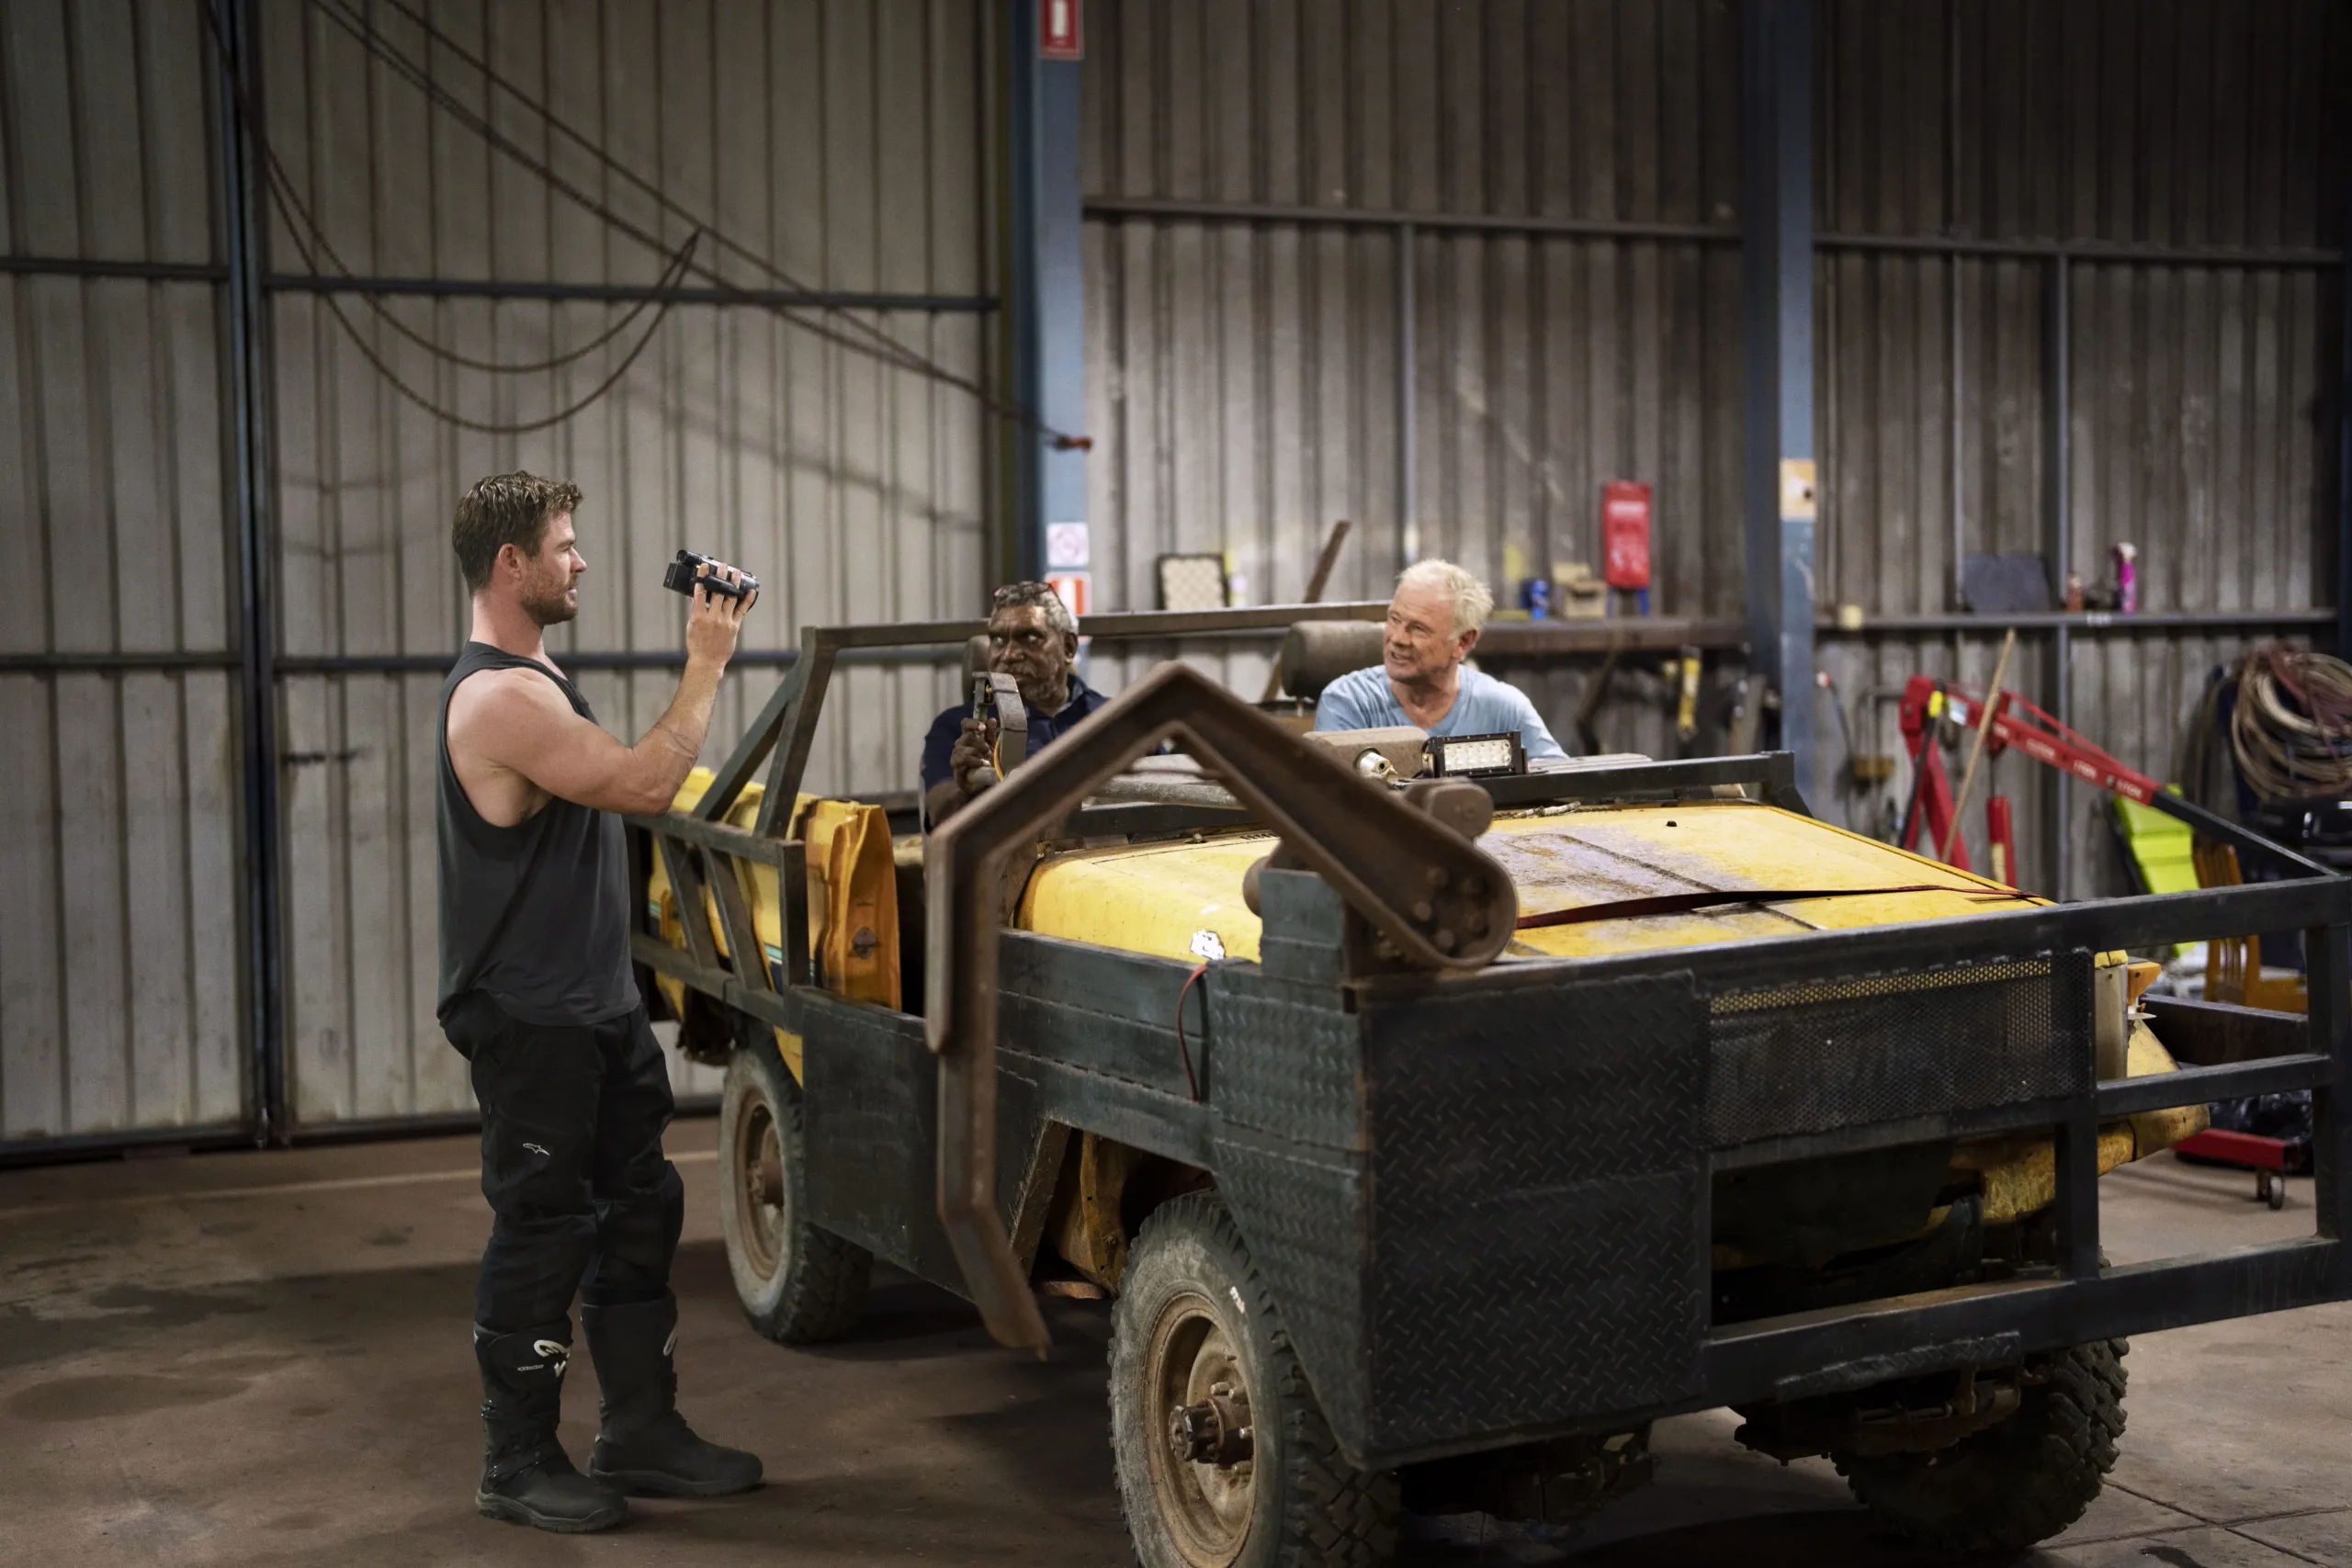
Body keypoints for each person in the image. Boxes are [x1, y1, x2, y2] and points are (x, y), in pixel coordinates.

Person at [436, 472, 763, 1533]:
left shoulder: (537, 668)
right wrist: (705, 666)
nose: (580, 562)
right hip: (531, 1017)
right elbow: (640, 786)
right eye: (564, 547)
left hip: (595, 1003)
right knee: (543, 1229)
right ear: (511, 566)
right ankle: (517, 1461)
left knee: (640, 1209)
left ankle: (640, 1430)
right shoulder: (497, 697)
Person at [1315, 559, 1567, 761]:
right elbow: (1334, 805)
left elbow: (1560, 783)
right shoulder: (1349, 703)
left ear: (1463, 642)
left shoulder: (1503, 708)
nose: (1397, 638)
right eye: (1394, 619)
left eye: (1418, 628)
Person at [921, 581, 1108, 826]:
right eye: (998, 640)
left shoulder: (1113, 718)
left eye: (1030, 638)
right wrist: (971, 788)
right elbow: (940, 816)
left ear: (1069, 647)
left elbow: (1169, 790)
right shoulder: (962, 730)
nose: (1008, 655)